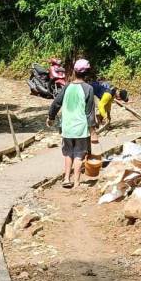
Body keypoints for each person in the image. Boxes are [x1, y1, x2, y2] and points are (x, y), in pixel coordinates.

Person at [47, 58, 98, 188]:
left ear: (74, 71)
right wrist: (93, 132)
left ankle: (66, 179)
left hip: (67, 127)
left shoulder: (67, 87)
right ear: (87, 73)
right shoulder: (88, 89)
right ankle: (76, 182)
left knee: (68, 152)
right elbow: (89, 113)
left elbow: (56, 103)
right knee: (79, 154)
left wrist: (51, 117)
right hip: (81, 128)